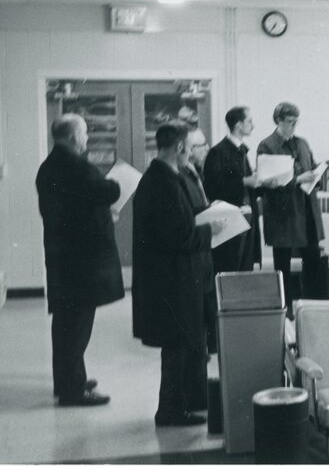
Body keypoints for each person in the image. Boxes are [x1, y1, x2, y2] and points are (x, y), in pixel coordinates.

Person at [132, 122, 224, 426]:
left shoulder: (169, 176)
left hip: (183, 276)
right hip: (172, 280)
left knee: (192, 341)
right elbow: (178, 236)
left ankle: (194, 398)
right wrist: (215, 228)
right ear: (181, 147)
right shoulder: (162, 182)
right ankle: (170, 410)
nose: (194, 152)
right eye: (192, 146)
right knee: (177, 346)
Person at [36, 114, 123, 406]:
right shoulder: (75, 165)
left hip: (64, 259)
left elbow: (74, 209)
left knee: (65, 325)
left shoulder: (50, 167)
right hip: (81, 263)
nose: (86, 139)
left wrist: (99, 212)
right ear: (74, 136)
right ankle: (73, 391)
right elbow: (110, 190)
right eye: (84, 133)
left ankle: (68, 380)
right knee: (76, 327)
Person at [257, 102, 326, 312]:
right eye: (290, 122)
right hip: (283, 214)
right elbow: (267, 181)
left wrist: (320, 173)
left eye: (296, 121)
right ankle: (285, 310)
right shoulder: (267, 145)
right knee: (283, 264)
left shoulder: (302, 143)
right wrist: (298, 179)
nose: (294, 125)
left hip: (306, 210)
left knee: (313, 258)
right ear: (278, 121)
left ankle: (314, 308)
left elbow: (311, 167)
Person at [203, 106, 262, 273]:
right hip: (230, 221)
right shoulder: (218, 152)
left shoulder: (242, 150)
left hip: (247, 217)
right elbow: (212, 187)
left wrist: (261, 183)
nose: (253, 125)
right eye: (249, 121)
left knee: (245, 265)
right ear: (238, 124)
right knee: (230, 266)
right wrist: (244, 181)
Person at [180, 127, 216, 356]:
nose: (206, 149)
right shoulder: (181, 176)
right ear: (189, 150)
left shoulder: (196, 171)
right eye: (202, 145)